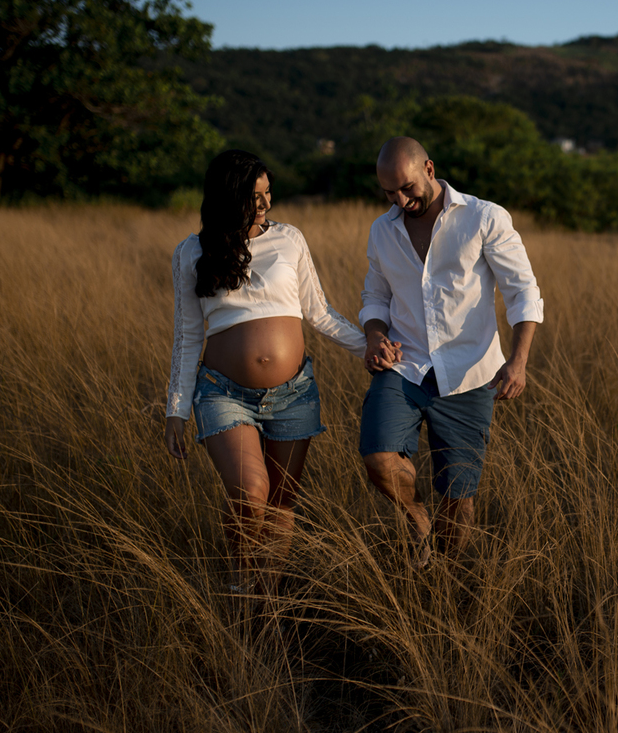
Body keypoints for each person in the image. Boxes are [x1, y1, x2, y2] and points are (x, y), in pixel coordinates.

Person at [163, 149, 398, 596]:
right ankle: (239, 583)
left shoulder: (289, 239)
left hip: (294, 393)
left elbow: (319, 313)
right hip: (222, 393)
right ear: (229, 196)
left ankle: (266, 600)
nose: (266, 204)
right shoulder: (192, 252)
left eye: (269, 193)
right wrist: (176, 408)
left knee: (281, 502)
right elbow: (187, 336)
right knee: (251, 493)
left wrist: (368, 345)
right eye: (255, 196)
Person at [358, 136, 543, 569]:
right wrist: (373, 336)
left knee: (459, 498)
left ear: (429, 168)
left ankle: (439, 584)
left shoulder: (484, 217)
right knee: (378, 456)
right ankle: (417, 522)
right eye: (389, 193)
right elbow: (375, 294)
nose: (401, 201)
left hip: (470, 373)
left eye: (407, 188)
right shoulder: (382, 230)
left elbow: (522, 291)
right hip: (404, 367)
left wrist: (518, 361)